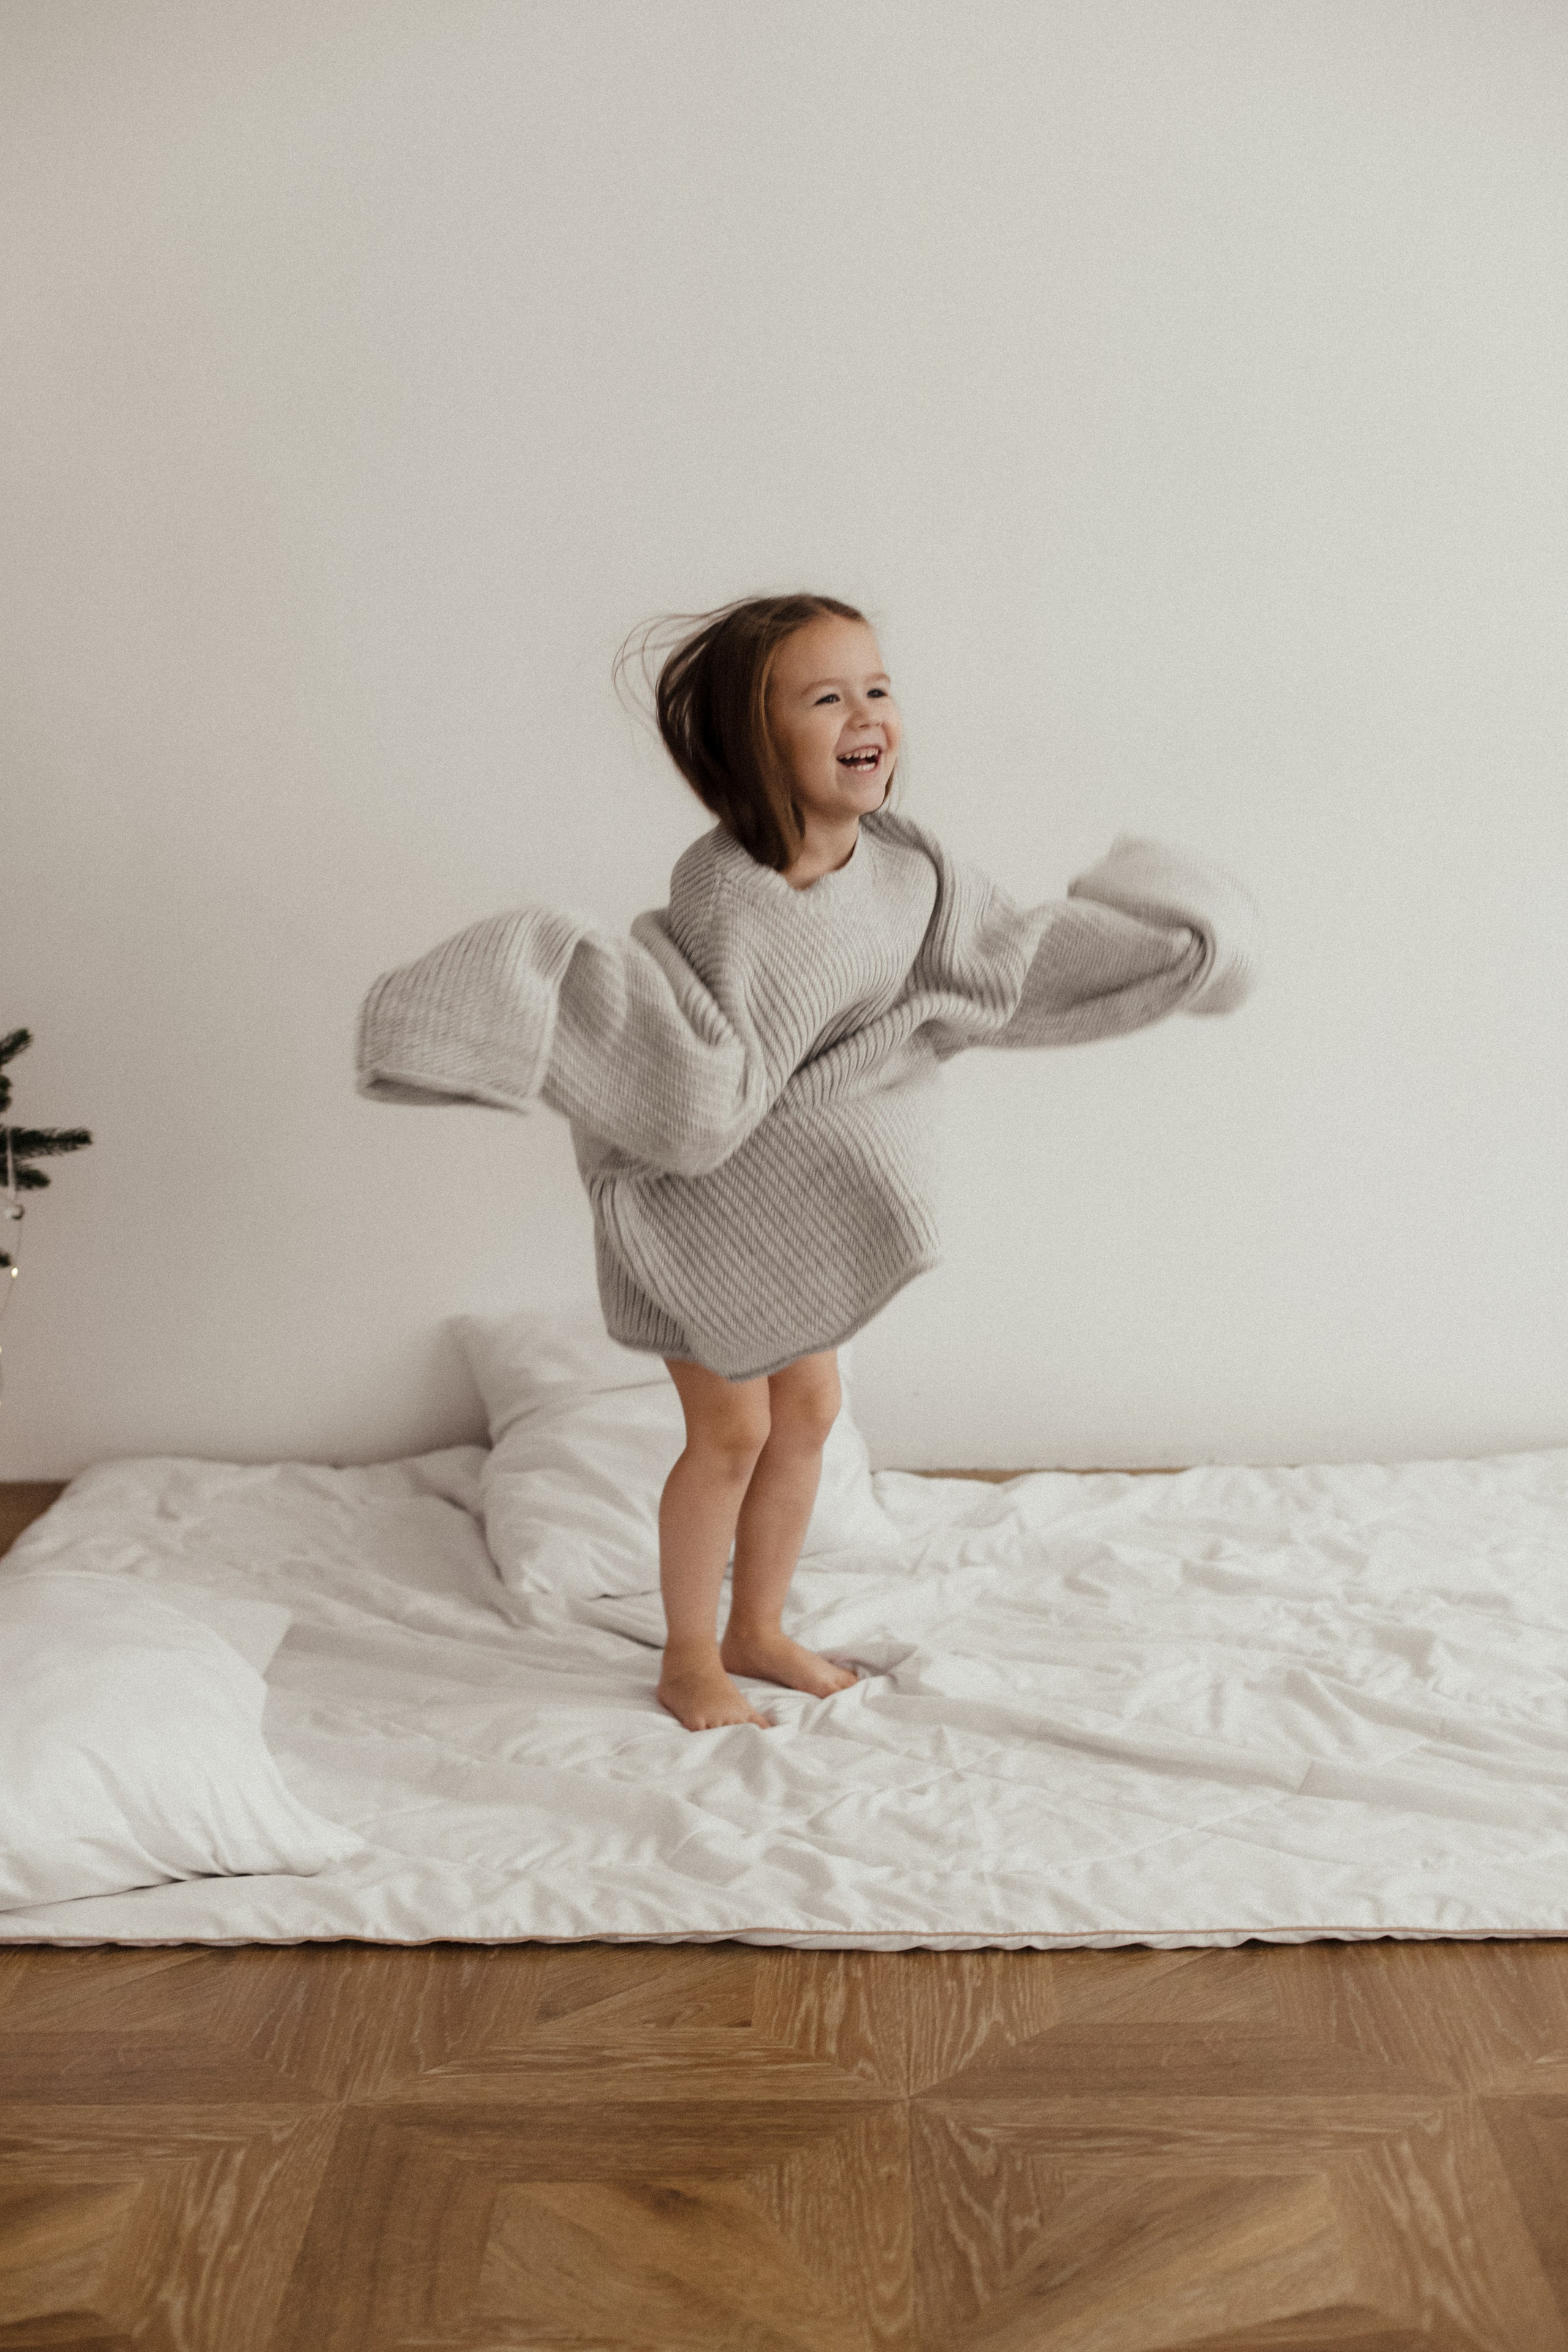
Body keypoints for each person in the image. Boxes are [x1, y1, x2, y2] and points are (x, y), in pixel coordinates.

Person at [356, 592, 1264, 1732]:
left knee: (812, 1412)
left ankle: (760, 1627)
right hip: (697, 1198)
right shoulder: (728, 889)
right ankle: (692, 1654)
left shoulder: (913, 868)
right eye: (825, 697)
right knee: (728, 1432)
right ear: (757, 737)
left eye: (876, 689)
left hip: (802, 1203)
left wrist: (1161, 945)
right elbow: (702, 1054)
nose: (865, 714)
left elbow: (997, 960)